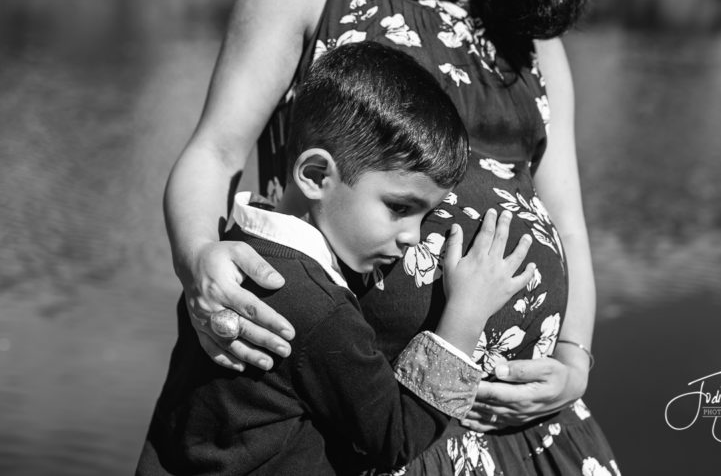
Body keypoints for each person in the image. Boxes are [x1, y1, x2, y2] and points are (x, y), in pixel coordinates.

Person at [163, 0, 620, 473]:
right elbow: (216, 152)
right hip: (378, 432)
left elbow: (567, 223)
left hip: (532, 435)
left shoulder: (533, 39)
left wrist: (573, 360)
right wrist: (198, 259)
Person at [138, 42, 538, 475]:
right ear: (315, 175)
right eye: (399, 207)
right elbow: (395, 438)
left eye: (426, 216)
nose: (412, 237)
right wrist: (465, 316)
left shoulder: (229, 252)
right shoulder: (318, 310)